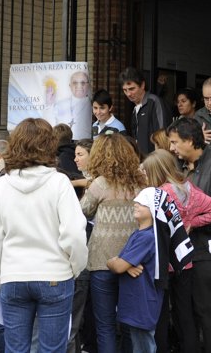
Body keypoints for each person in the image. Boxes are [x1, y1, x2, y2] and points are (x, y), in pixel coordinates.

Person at [0, 118, 88, 353]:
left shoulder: (2, 185)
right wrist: (75, 268)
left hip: (13, 275)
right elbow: (74, 234)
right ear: (49, 144)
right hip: (55, 273)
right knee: (52, 349)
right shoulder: (59, 182)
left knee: (15, 349)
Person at [141, 149, 211, 353]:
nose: (144, 175)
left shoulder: (158, 194)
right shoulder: (189, 189)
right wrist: (191, 222)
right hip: (185, 260)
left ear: (155, 171)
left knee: (161, 313)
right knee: (185, 312)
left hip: (162, 260)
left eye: (146, 171)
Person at [166, 117, 211, 353]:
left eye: (175, 142)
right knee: (182, 311)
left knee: (206, 310)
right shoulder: (176, 168)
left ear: (190, 140)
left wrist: (193, 222)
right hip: (177, 253)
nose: (171, 148)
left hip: (205, 250)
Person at [80, 134, 144, 353]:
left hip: (102, 261)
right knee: (128, 324)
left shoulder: (100, 184)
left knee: (105, 325)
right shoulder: (140, 183)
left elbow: (82, 211)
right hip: (132, 261)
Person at [105, 188, 166, 353]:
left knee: (143, 347)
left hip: (142, 303)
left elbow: (118, 266)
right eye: (136, 201)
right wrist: (119, 263)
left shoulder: (146, 237)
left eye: (143, 203)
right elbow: (117, 263)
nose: (136, 205)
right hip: (137, 302)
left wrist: (118, 263)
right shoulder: (139, 234)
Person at [120, 67, 166, 157]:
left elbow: (162, 136)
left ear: (142, 85)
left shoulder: (154, 102)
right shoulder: (135, 109)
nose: (128, 94)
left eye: (132, 89)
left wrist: (157, 161)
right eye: (125, 90)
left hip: (154, 160)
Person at [58, 71, 95, 140]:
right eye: (75, 83)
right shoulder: (60, 105)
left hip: (85, 141)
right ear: (70, 85)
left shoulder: (93, 104)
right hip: (66, 140)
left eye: (83, 83)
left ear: (88, 85)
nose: (79, 86)